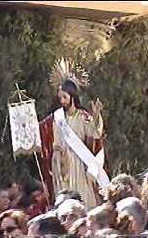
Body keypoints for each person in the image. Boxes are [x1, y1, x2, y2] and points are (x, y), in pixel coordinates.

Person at [39, 79, 109, 209]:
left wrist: (96, 115)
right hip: (60, 162)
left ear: (72, 96)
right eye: (60, 98)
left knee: (81, 194)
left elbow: (95, 134)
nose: (62, 101)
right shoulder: (57, 117)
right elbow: (42, 130)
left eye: (65, 97)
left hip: (78, 161)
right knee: (62, 195)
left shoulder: (82, 116)